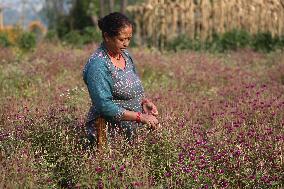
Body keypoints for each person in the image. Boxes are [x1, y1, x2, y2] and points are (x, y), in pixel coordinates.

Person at [83, 12, 159, 147]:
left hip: (129, 132)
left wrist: (144, 103)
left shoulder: (125, 56)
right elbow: (104, 106)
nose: (126, 44)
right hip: (108, 135)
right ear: (107, 36)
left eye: (129, 39)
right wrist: (140, 117)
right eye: (122, 39)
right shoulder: (98, 65)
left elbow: (132, 85)